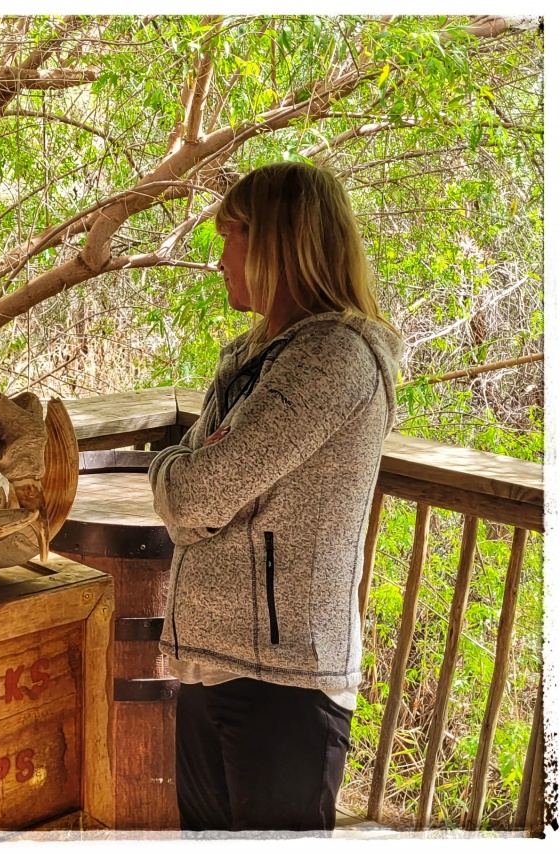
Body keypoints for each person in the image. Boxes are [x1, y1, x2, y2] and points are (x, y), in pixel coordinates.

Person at [148, 162, 403, 833]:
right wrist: (188, 484)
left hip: (284, 682)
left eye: (231, 236)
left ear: (276, 245)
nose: (221, 257)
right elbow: (194, 495)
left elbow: (198, 492)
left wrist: (184, 479)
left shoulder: (333, 359)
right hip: (212, 664)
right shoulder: (247, 357)